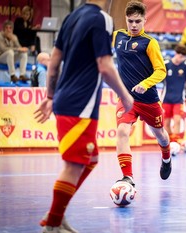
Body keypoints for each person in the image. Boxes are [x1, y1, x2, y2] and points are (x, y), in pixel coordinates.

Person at [34, 1, 134, 232]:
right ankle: (52, 224)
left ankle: (56, 216)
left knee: (90, 159)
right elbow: (105, 66)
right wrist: (125, 96)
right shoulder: (103, 19)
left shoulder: (72, 17)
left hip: (66, 100)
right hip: (80, 105)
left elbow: (54, 59)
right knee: (74, 165)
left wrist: (50, 96)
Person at [113, 1, 171, 187]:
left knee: (160, 134)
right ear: (126, 20)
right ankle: (128, 177)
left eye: (138, 21)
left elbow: (161, 71)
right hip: (127, 98)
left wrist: (145, 84)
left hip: (148, 99)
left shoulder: (150, 43)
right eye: (130, 21)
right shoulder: (117, 37)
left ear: (145, 20)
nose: (134, 25)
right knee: (122, 131)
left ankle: (166, 158)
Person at [162, 44, 186, 144]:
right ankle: (169, 141)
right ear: (175, 53)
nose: (180, 59)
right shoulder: (166, 64)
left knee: (177, 120)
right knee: (166, 122)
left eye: (183, 57)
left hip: (179, 99)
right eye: (179, 56)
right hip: (166, 98)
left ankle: (175, 142)